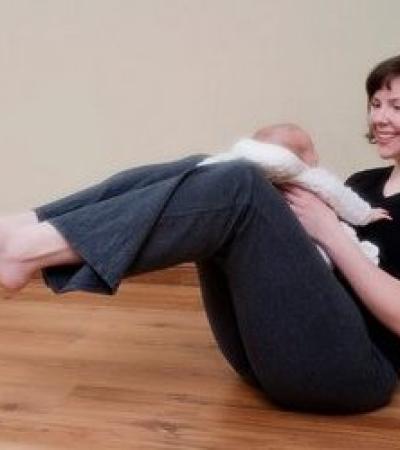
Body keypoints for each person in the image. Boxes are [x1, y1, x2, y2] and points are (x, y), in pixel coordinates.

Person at [1, 55, 400, 415]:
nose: (380, 118)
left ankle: (26, 251)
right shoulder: (361, 184)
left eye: (396, 106)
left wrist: (328, 231)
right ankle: (27, 225)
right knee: (209, 168)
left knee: (238, 185)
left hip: (354, 371)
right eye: (376, 104)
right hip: (273, 351)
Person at [198, 123, 391, 266]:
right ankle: (360, 256)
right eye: (309, 150)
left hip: (281, 244)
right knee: (339, 239)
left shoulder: (245, 175)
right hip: (302, 246)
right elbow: (340, 196)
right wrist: (365, 214)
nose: (315, 156)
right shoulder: (309, 176)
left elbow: (213, 166)